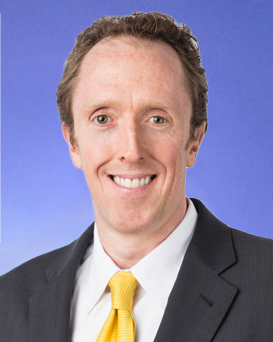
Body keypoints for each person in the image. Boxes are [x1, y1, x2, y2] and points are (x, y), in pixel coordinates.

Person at [1, 11, 273, 342]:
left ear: (194, 140)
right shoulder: (8, 303)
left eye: (157, 119)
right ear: (73, 142)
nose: (131, 150)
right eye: (103, 119)